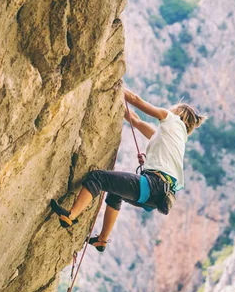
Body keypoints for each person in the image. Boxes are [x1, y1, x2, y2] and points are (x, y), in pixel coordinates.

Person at [50, 88, 206, 252]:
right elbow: (136, 121)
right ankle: (102, 240)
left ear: (179, 113)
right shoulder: (173, 137)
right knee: (116, 193)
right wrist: (118, 103)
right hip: (157, 196)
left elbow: (136, 99)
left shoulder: (172, 120)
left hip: (154, 184)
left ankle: (71, 216)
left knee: (97, 177)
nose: (169, 109)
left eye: (173, 107)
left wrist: (116, 85)